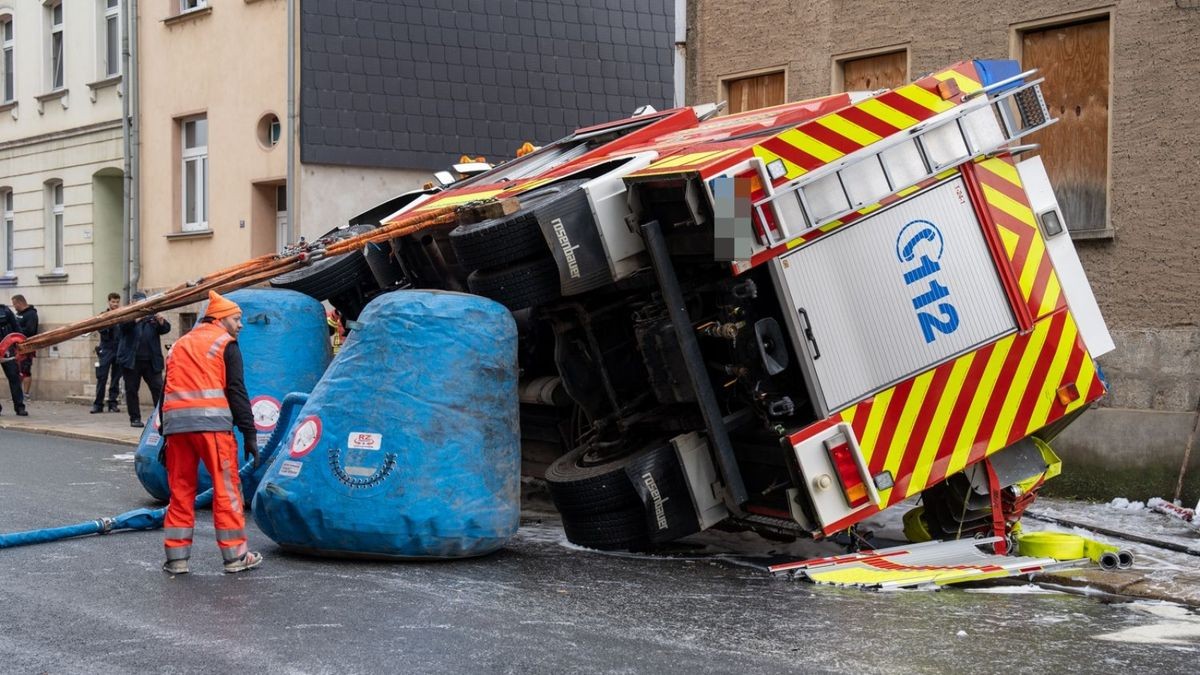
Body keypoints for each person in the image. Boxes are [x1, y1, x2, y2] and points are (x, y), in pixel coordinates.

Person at [160, 290, 262, 575]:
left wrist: (164, 432)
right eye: (236, 319)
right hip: (213, 428)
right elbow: (236, 390)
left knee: (180, 492)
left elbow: (165, 389)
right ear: (219, 319)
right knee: (226, 491)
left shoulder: (179, 344)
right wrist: (250, 433)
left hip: (177, 428)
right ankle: (235, 558)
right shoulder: (225, 343)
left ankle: (177, 559)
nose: (240, 325)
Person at [117, 291, 171, 428]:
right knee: (132, 390)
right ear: (133, 303)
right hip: (131, 361)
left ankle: (160, 417)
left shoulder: (152, 316)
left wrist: (161, 321)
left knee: (158, 388)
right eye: (139, 303)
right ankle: (135, 418)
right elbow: (123, 328)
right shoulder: (126, 315)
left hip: (151, 361)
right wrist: (137, 318)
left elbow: (166, 329)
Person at [92, 292, 123, 414]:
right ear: (109, 302)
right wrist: (110, 322)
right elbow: (102, 330)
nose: (115, 304)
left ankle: (112, 403)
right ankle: (98, 404)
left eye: (117, 302)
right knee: (102, 377)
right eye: (113, 302)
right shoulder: (103, 315)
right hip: (106, 349)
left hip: (118, 349)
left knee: (115, 378)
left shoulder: (122, 314)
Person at [0, 302, 27, 416]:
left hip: (6, 348)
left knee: (14, 377)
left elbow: (16, 328)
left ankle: (20, 407)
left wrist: (20, 345)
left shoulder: (5, 310)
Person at [11, 295, 38, 400]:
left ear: (20, 302)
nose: (14, 307)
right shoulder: (17, 314)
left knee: (26, 369)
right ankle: (18, 393)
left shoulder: (31, 314)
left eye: (14, 304)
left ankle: (26, 394)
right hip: (17, 346)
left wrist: (16, 331)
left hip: (28, 346)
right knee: (17, 370)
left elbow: (30, 331)